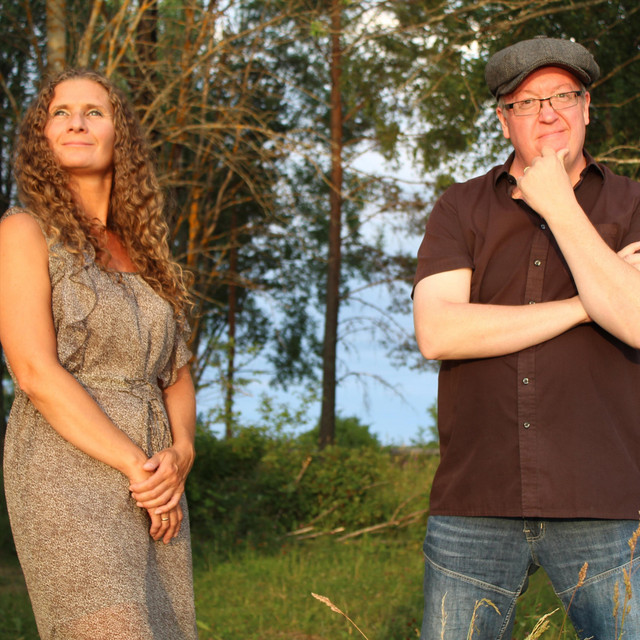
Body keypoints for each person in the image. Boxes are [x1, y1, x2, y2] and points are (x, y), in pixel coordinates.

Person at [413, 36, 640, 639]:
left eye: (564, 96)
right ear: (503, 119)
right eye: (527, 102)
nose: (548, 114)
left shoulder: (635, 203)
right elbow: (438, 331)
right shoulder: (460, 207)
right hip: (475, 499)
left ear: (587, 107)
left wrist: (560, 206)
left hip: (607, 498)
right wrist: (588, 304)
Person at [0, 68, 198, 639]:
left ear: (120, 136)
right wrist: (136, 466)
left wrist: (181, 454)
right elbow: (34, 371)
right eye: (60, 113)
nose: (76, 123)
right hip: (65, 466)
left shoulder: (148, 252)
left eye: (94, 112)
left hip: (156, 477)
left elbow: (176, 376)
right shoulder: (23, 231)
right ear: (42, 138)